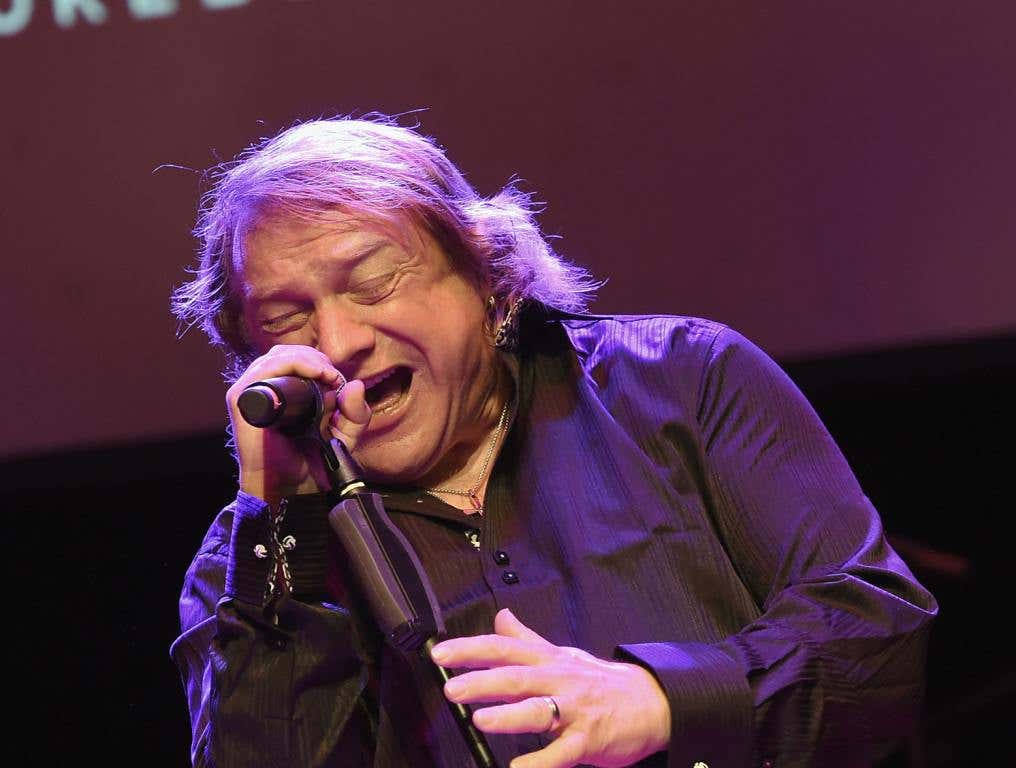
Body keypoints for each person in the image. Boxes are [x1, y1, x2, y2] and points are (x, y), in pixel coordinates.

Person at [169, 115, 937, 768]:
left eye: (373, 283)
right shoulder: (251, 556)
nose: (337, 342)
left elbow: (881, 635)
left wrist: (665, 698)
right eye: (283, 319)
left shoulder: (680, 381)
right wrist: (287, 525)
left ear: (489, 279)